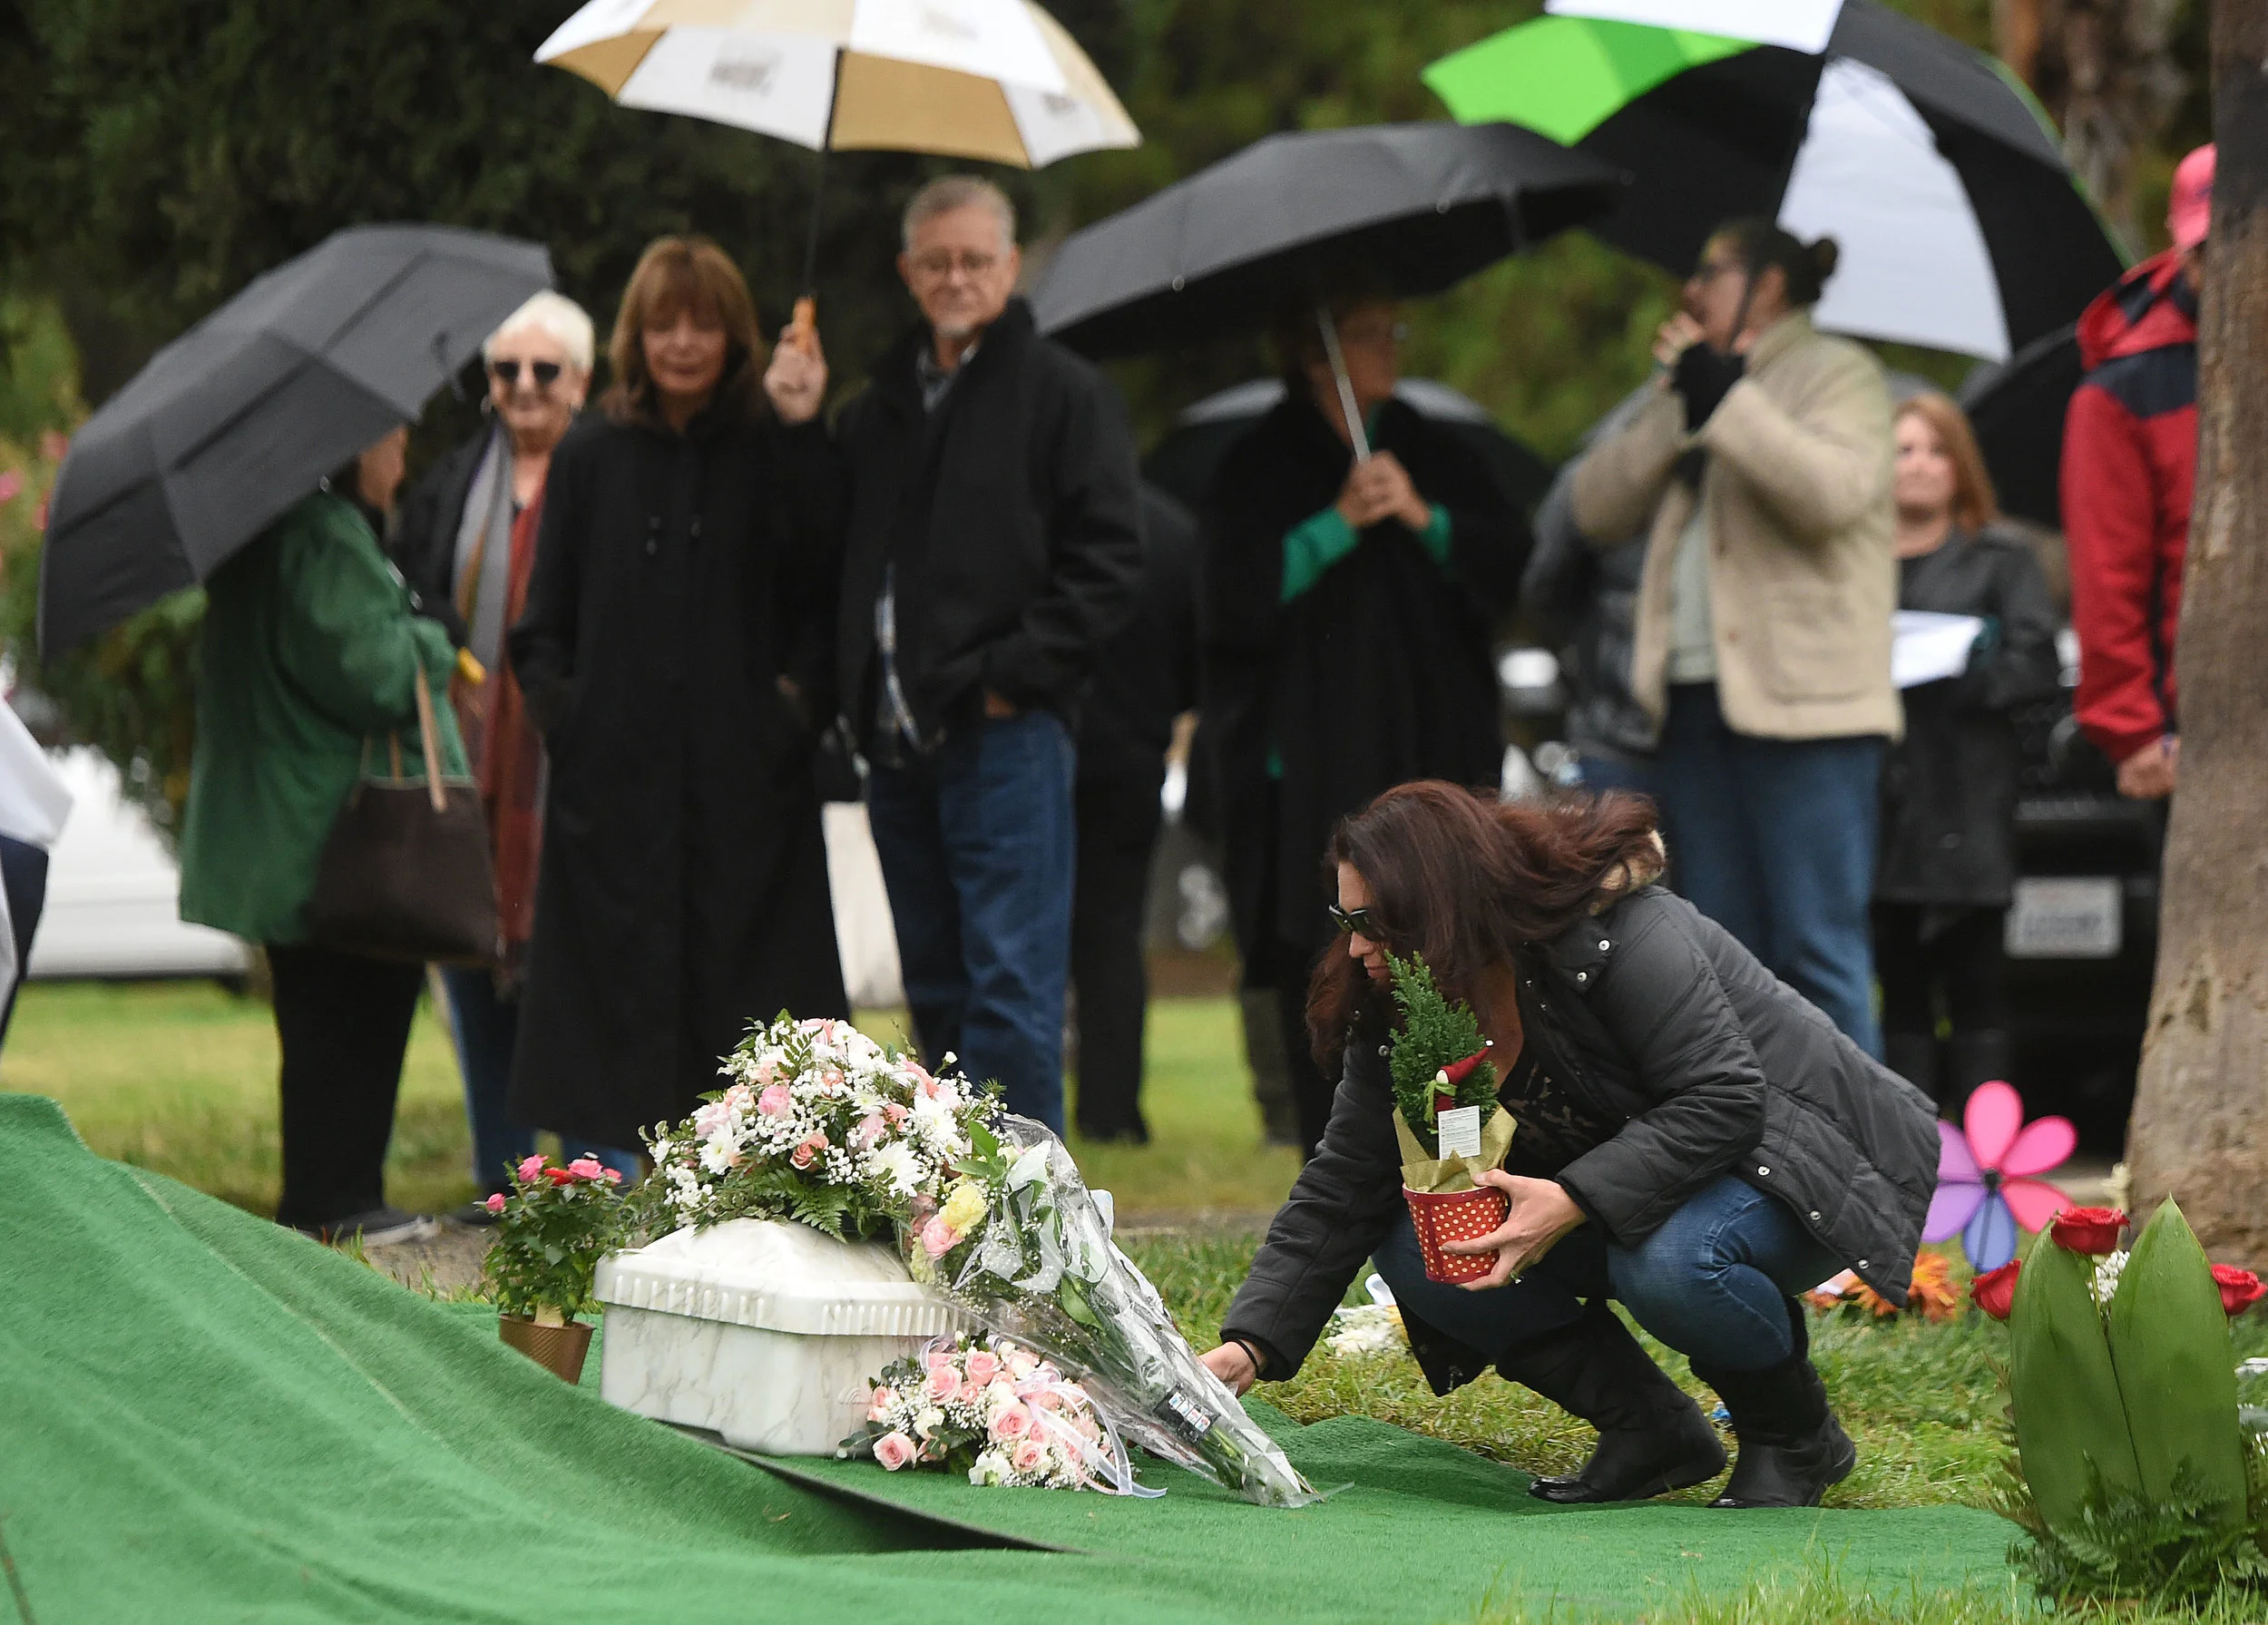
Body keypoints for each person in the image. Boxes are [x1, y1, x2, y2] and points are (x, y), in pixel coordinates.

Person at [1198, 781, 1937, 1509]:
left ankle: (1794, 1436)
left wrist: (1576, 1196)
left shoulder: (1624, 933)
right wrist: (1252, 1343)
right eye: (1345, 917)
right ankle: (1652, 1430)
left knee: (1669, 1261)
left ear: (1444, 907)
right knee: (1429, 1245)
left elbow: (1725, 1099)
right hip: (1655, 1187)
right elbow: (1345, 1182)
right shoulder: (1404, 1000)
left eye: (1376, 921)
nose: (1356, 945)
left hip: (1801, 1166)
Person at [508, 237, 848, 1159]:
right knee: (609, 1028)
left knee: (753, 1040)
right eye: (665, 324)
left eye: (703, 323)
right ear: (637, 335)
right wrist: (568, 717)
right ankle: (613, 1201)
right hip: (614, 796)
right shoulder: (591, 454)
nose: (684, 343)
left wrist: (790, 716)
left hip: (746, 801)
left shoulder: (770, 447)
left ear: (735, 334)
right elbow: (545, 620)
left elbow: (823, 584)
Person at [835, 175, 1142, 1137]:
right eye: (937, 262)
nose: (956, 277)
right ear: (908, 273)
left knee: (1011, 986)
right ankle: (953, 1207)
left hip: (1003, 739)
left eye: (975, 260)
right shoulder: (874, 409)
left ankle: (1028, 1226)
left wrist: (1012, 677)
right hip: (891, 743)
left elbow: (1109, 563)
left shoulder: (1063, 394)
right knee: (933, 986)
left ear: (1009, 267)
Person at [1202, 278, 1528, 1157]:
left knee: (1446, 949)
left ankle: (1455, 1152)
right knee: (1329, 956)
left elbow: (1504, 565)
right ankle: (1333, 1154)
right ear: (1318, 355)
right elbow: (1228, 604)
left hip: (1426, 748)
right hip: (1309, 766)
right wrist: (1333, 526)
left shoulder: (1433, 448)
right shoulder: (1259, 461)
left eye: (1394, 327)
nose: (1391, 346)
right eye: (1370, 332)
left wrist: (1422, 515)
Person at [1570, 220, 1897, 1058]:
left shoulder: (1839, 374)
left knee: (1819, 954)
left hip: (1809, 713)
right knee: (1721, 958)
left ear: (1770, 284)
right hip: (1688, 702)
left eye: (1709, 272)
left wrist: (1728, 399)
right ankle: (1761, 1173)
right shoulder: (1699, 379)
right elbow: (1594, 505)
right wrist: (1682, 398)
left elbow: (1831, 494)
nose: (1691, 290)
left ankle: (1869, 1174)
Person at [180, 427, 463, 1244]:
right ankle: (339, 1199)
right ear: (356, 444)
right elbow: (370, 668)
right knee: (353, 1010)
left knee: (314, 1020)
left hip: (282, 822)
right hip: (328, 833)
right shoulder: (323, 532)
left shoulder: (262, 531)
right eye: (394, 436)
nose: (404, 451)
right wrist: (432, 636)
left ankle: (328, 1194)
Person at [391, 292, 595, 1213]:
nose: (522, 387)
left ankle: (596, 1170)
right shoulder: (448, 485)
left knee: (581, 962)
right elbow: (417, 590)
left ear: (581, 384)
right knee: (477, 955)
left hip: (577, 768)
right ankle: (506, 1172)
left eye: (543, 370)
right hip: (474, 767)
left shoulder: (607, 478)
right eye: (505, 370)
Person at [1873, 394, 2060, 1108]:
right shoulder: (1853, 566)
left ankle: (1984, 1163)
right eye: (1904, 449)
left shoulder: (1999, 558)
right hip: (1879, 804)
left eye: (1936, 450)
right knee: (1900, 989)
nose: (1920, 466)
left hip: (1967, 802)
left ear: (1961, 466)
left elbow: (2037, 665)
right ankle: (1912, 1153)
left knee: (1977, 986)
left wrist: (1960, 663)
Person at [2061, 143, 2211, 802]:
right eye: (2214, 250)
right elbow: (2108, 575)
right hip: (2199, 731)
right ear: (2182, 255)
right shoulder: (2124, 392)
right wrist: (2135, 732)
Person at [1070, 484, 1200, 1143]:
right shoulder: (1171, 529)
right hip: (1132, 748)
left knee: (1016, 935)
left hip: (1043, 741)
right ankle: (1111, 1111)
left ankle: (999, 1101)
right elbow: (1197, 658)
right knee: (1112, 935)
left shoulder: (1046, 513)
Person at [1521, 387, 1660, 796]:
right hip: (1612, 732)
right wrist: (1591, 652)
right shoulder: (1601, 461)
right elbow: (1544, 588)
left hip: (1724, 738)